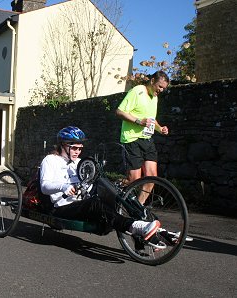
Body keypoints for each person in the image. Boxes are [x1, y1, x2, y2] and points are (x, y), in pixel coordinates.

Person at [39, 126, 161, 241]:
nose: (78, 152)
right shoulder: (50, 160)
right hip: (62, 207)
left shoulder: (79, 162)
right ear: (63, 145)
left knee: (116, 195)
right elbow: (45, 186)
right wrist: (64, 187)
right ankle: (136, 227)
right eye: (75, 148)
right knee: (95, 204)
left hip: (82, 201)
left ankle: (158, 232)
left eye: (80, 148)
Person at [115, 70, 169, 204]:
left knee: (152, 178)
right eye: (160, 86)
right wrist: (139, 121)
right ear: (152, 81)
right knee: (134, 180)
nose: (161, 90)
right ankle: (112, 186)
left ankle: (139, 209)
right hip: (132, 139)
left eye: (164, 88)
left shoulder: (154, 97)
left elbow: (151, 119)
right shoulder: (137, 91)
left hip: (147, 140)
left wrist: (160, 128)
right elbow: (119, 112)